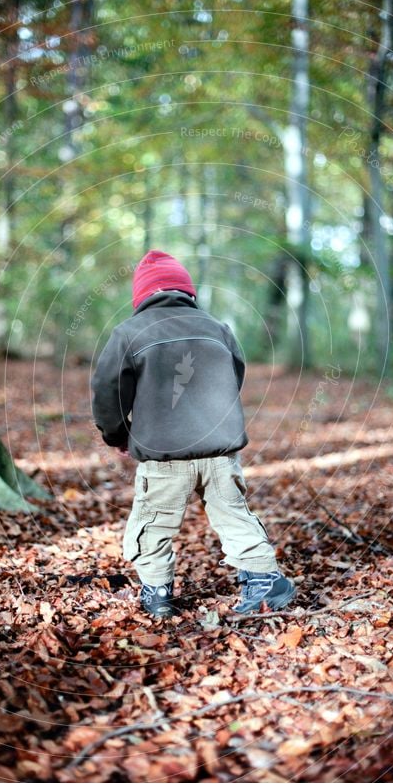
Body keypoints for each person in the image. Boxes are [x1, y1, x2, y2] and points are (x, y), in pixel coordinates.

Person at [91, 250, 296, 618]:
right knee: (234, 516)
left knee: (153, 523)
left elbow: (108, 392)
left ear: (140, 296)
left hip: (163, 456)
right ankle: (265, 580)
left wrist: (118, 435)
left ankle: (157, 595)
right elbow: (235, 375)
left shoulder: (129, 333)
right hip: (219, 452)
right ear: (188, 292)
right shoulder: (217, 328)